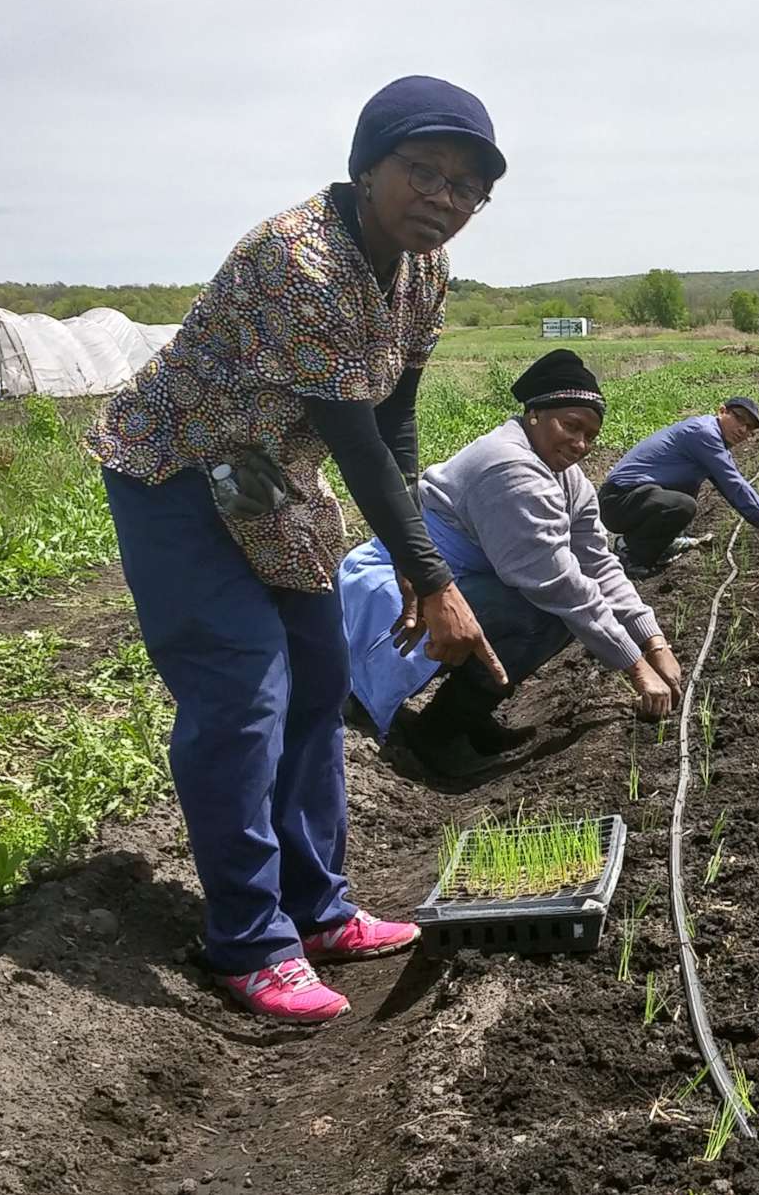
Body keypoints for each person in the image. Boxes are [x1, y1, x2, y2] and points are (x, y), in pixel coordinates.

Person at [88, 76, 510, 1023]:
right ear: (367, 166)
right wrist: (433, 581)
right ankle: (249, 939)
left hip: (270, 479)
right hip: (180, 471)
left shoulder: (423, 271)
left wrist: (417, 557)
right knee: (243, 693)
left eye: (467, 188)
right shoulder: (301, 260)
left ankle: (318, 908)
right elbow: (352, 437)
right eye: (423, 172)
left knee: (320, 679)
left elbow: (394, 422)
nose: (445, 199)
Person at [379, 349, 681, 778]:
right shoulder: (511, 469)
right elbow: (561, 585)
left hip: (459, 580)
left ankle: (469, 717)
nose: (580, 444)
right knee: (547, 614)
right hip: (409, 588)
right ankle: (436, 734)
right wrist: (637, 669)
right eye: (571, 426)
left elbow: (599, 562)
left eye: (590, 436)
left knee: (557, 612)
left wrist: (655, 643)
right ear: (535, 414)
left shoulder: (566, 477)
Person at [600, 398, 759, 575]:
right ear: (722, 411)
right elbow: (736, 487)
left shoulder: (712, 440)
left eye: (749, 428)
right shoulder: (704, 433)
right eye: (739, 419)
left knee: (685, 490)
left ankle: (663, 544)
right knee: (682, 504)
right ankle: (629, 552)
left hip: (634, 499)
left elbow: (734, 492)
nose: (742, 430)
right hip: (618, 500)